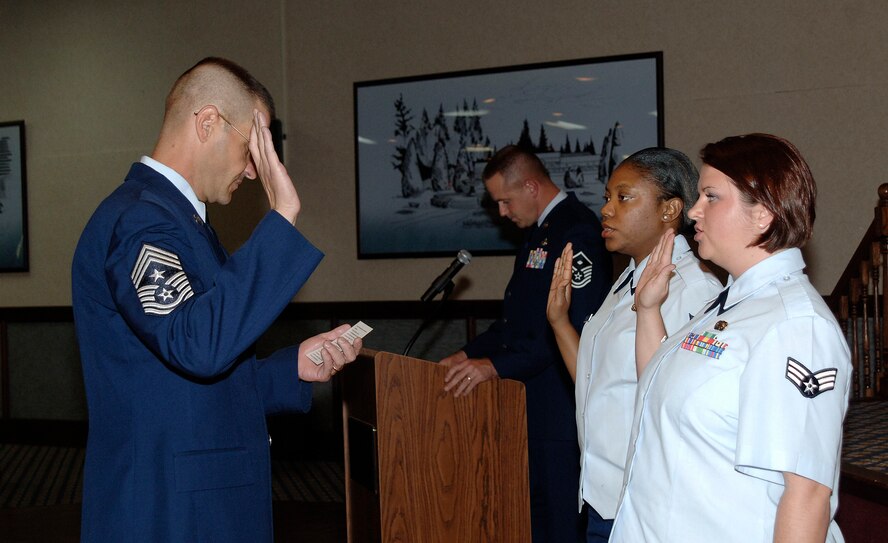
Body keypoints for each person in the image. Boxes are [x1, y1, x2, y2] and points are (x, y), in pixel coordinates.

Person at [71, 57, 361, 542]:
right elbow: (198, 346)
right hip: (167, 512)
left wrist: (292, 366)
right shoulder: (142, 221)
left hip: (193, 503)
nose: (253, 172)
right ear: (208, 122)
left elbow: (181, 382)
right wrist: (283, 214)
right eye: (254, 148)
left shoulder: (183, 224)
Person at [612, 134, 851, 542]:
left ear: (763, 214)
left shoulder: (796, 326)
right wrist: (649, 309)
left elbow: (807, 492)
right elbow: (659, 389)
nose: (693, 211)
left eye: (711, 197)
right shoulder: (730, 304)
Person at [546, 148, 722, 541]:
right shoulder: (628, 280)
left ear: (669, 209)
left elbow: (685, 410)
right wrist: (559, 323)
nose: (606, 210)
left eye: (623, 198)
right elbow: (595, 385)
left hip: (646, 508)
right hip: (602, 496)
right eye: (607, 197)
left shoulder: (693, 290)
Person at [440, 145, 611, 543]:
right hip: (529, 408)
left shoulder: (577, 231)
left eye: (505, 200)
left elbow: (573, 329)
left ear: (531, 186)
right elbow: (517, 322)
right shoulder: (540, 232)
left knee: (561, 526)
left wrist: (493, 367)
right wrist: (469, 353)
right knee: (532, 523)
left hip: (559, 412)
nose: (501, 212)